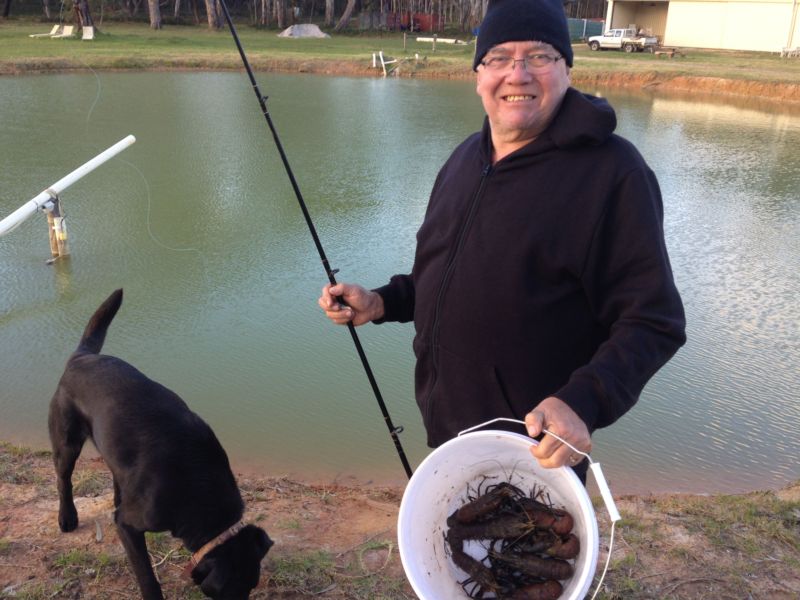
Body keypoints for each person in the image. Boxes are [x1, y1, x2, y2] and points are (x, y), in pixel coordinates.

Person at [318, 0, 686, 483]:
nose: (518, 74)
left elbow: (653, 321)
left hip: (536, 450)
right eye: (499, 58)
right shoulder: (465, 158)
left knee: (535, 554)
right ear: (478, 74)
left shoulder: (615, 174)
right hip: (450, 426)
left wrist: (584, 401)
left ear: (566, 70)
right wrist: (380, 302)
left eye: (539, 56)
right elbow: (447, 273)